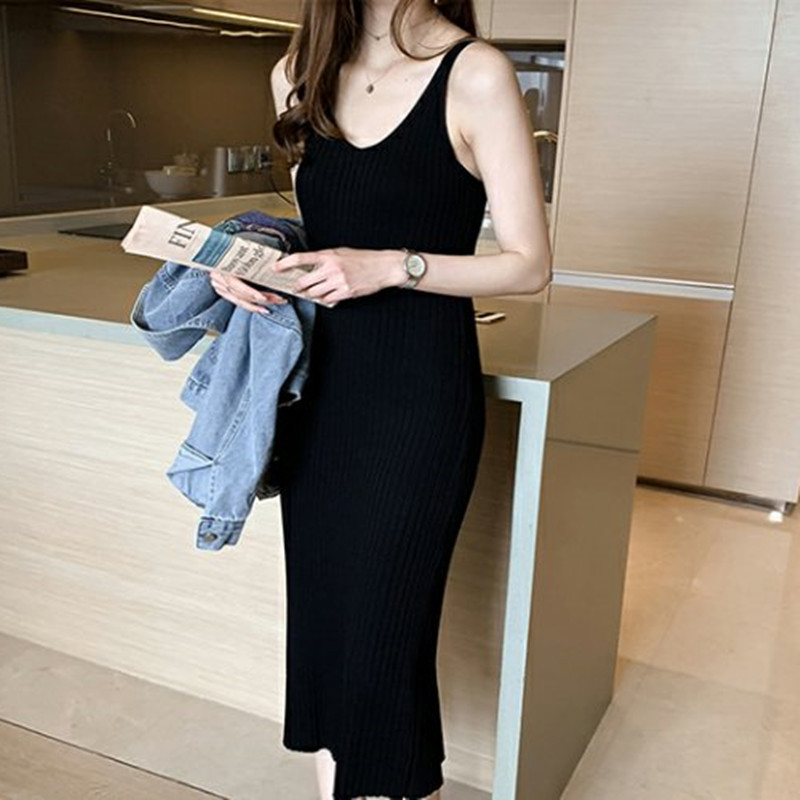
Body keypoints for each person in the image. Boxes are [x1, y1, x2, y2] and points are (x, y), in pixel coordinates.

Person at [209, 0, 551, 797]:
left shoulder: (474, 73)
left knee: (384, 635)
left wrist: (396, 265)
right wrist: (251, 259)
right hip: (318, 393)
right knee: (326, 622)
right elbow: (323, 230)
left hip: (417, 398)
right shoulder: (296, 73)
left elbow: (528, 265)